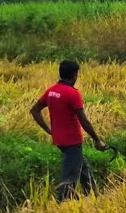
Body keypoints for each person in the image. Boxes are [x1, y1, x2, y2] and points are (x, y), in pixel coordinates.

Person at [30, 60, 108, 200]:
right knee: (69, 178)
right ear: (75, 74)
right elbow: (84, 121)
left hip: (60, 140)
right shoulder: (72, 93)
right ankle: (63, 203)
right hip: (72, 140)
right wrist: (97, 140)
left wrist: (48, 130)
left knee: (83, 168)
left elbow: (34, 110)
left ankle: (95, 197)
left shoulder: (52, 91)